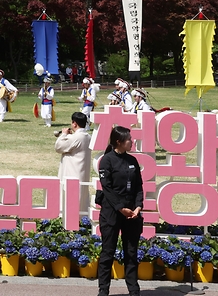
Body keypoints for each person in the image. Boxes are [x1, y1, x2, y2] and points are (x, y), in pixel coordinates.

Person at [96, 125, 143, 296]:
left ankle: (134, 290)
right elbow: (107, 188)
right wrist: (120, 208)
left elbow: (139, 186)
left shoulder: (133, 161)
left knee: (131, 252)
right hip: (112, 212)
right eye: (129, 139)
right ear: (119, 141)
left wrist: (138, 206)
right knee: (108, 252)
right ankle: (103, 290)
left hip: (131, 214)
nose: (132, 141)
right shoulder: (107, 160)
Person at [55, 112, 92, 218]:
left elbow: (58, 147)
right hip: (82, 172)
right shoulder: (88, 136)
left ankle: (68, 219)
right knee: (82, 196)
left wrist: (64, 134)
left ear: (74, 124)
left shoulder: (75, 138)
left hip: (72, 173)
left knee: (69, 197)